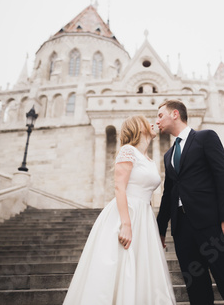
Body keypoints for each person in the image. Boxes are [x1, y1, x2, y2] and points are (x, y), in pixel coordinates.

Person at [63, 115, 176, 305]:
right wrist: (126, 224)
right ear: (137, 128)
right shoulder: (127, 151)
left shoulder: (148, 159)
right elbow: (119, 187)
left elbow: (146, 193)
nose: (152, 123)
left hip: (144, 217)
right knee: (120, 265)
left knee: (141, 268)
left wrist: (152, 230)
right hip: (125, 214)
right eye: (145, 122)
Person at [156, 100, 224, 305]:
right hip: (182, 231)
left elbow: (222, 175)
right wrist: (160, 229)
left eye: (160, 115)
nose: (157, 121)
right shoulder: (168, 155)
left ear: (174, 114)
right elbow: (168, 194)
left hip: (212, 226)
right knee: (196, 290)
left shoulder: (205, 137)